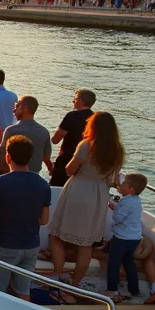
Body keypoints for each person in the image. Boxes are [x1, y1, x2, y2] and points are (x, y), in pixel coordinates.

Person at [47, 112, 124, 287]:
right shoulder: (118, 150)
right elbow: (113, 178)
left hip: (79, 190)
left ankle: (57, 274)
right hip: (99, 194)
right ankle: (76, 283)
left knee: (56, 235)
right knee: (86, 244)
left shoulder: (86, 146)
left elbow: (70, 170)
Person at [0, 136, 50, 301]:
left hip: (4, 245)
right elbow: (44, 220)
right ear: (30, 158)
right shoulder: (42, 184)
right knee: (23, 291)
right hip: (31, 245)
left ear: (8, 157)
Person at [105, 172, 147, 301]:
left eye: (123, 183)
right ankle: (134, 289)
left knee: (113, 263)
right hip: (134, 238)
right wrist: (116, 207)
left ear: (130, 189)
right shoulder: (136, 200)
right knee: (128, 262)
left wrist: (115, 210)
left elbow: (118, 218)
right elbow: (128, 214)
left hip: (121, 238)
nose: (120, 185)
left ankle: (112, 290)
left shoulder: (126, 202)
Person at [0, 95, 53, 176]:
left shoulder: (11, 130)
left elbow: (1, 153)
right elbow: (46, 157)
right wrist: (50, 169)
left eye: (17, 106)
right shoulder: (44, 132)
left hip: (13, 174)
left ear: (25, 108)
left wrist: (0, 172)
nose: (14, 110)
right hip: (34, 176)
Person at [50, 89, 95, 186]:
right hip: (86, 160)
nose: (73, 101)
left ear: (81, 101)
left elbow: (55, 140)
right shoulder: (95, 118)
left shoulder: (71, 116)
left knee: (57, 186)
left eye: (75, 98)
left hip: (67, 157)